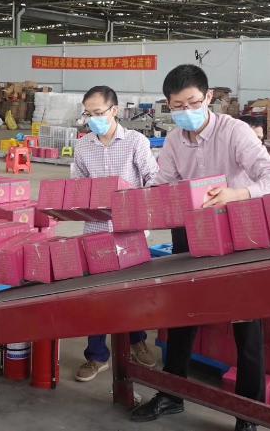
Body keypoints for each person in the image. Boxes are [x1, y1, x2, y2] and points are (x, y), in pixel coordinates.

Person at [130, 65, 270, 431]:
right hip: (190, 233)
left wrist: (237, 193)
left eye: (193, 103)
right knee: (182, 316)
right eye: (178, 106)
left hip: (237, 231)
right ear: (168, 105)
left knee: (246, 325)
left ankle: (248, 414)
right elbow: (163, 184)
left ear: (209, 97)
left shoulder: (234, 132)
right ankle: (172, 394)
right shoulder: (173, 140)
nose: (186, 111)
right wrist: (138, 203)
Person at [71, 86, 160, 382]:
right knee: (96, 294)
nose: (93, 119)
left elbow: (153, 178)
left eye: (98, 113)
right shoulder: (83, 146)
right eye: (88, 114)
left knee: (131, 292)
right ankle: (97, 356)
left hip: (130, 230)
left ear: (114, 110)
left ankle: (136, 341)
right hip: (95, 230)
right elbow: (77, 185)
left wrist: (134, 202)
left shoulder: (136, 142)